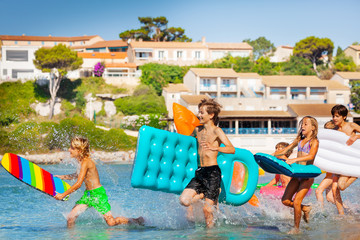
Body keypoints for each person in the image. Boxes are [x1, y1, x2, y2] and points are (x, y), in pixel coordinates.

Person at [54, 136, 144, 228]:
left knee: (111, 222)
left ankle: (136, 220)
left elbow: (78, 184)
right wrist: (63, 177)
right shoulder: (80, 161)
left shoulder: (86, 162)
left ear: (79, 151)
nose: (69, 150)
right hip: (88, 195)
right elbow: (78, 175)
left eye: (72, 148)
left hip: (98, 195)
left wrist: (62, 195)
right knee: (70, 218)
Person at [179, 98, 235, 228]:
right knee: (184, 201)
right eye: (199, 112)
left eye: (202, 112)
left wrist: (216, 148)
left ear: (211, 115)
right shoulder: (197, 131)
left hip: (212, 173)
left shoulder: (217, 131)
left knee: (207, 210)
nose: (199, 115)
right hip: (200, 172)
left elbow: (231, 149)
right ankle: (205, 193)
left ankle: (210, 235)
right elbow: (184, 140)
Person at [274, 116, 319, 234]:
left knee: (297, 201)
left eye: (305, 124)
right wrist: (270, 156)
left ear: (313, 128)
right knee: (285, 200)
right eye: (302, 124)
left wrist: (293, 160)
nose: (302, 126)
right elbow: (285, 150)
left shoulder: (314, 141)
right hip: (296, 175)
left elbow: (311, 156)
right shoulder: (299, 141)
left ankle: (296, 229)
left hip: (307, 176)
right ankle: (305, 208)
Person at [330, 104, 360, 215]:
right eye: (333, 116)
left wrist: (357, 136)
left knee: (341, 186)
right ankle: (341, 214)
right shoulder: (334, 130)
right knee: (334, 189)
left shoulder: (352, 126)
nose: (334, 118)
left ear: (344, 116)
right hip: (339, 162)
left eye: (337, 116)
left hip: (352, 161)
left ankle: (356, 174)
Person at [315, 120, 337, 207]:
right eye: (325, 129)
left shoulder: (333, 144)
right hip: (330, 174)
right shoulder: (328, 143)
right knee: (330, 198)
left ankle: (321, 212)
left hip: (333, 175)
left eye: (328, 130)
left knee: (318, 191)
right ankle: (349, 211)